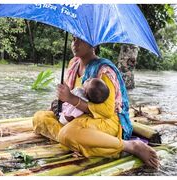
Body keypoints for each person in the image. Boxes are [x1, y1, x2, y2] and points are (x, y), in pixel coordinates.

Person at [33, 35, 160, 168]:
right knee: (39, 118)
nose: (75, 44)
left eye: (81, 40)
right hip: (77, 118)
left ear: (93, 44)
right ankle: (82, 142)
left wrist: (71, 99)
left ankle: (129, 146)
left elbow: (106, 111)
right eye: (73, 39)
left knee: (67, 134)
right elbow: (66, 96)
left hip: (106, 121)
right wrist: (58, 104)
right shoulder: (73, 64)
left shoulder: (104, 71)